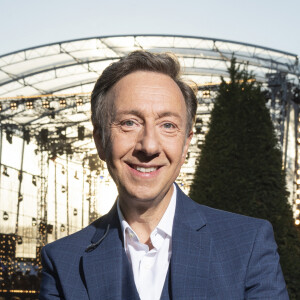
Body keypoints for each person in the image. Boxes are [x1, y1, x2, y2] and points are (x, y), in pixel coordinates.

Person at [39, 51, 289, 300]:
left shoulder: (247, 245)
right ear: (100, 142)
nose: (149, 146)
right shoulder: (63, 262)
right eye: (129, 122)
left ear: (185, 144)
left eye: (168, 125)